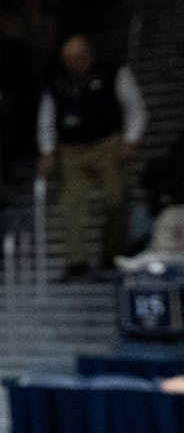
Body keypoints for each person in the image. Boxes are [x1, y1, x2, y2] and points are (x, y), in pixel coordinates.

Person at [38, 34, 148, 280]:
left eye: (78, 56)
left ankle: (111, 251)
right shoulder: (56, 83)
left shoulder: (113, 71)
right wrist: (47, 151)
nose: (74, 62)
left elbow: (135, 107)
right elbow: (45, 119)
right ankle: (76, 262)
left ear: (89, 54)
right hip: (71, 150)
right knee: (71, 205)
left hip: (108, 144)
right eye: (68, 58)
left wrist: (131, 140)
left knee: (115, 199)